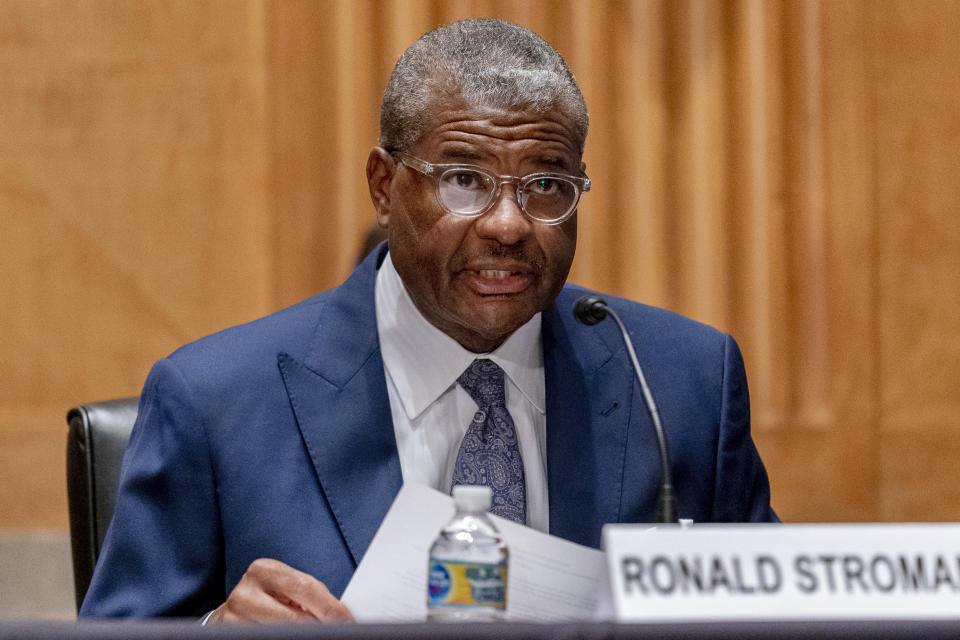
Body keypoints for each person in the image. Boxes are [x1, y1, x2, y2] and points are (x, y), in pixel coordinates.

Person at [80, 18, 777, 622]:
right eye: (465, 179)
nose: (508, 225)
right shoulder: (216, 402)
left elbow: (780, 616)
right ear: (385, 187)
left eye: (546, 185)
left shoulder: (679, 387)